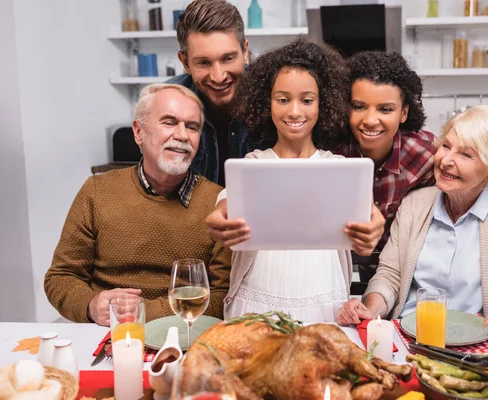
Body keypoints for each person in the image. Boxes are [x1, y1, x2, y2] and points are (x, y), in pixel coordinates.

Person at [336, 105, 488, 336]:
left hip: (481, 351)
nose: (446, 160)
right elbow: (389, 276)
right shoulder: (415, 204)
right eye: (446, 146)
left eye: (465, 154)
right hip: (408, 338)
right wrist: (371, 308)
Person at [205, 38, 385, 322]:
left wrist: (373, 227)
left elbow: (368, 212)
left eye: (307, 100)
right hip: (255, 305)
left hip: (325, 304)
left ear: (322, 104)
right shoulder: (253, 164)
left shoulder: (338, 168)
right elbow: (225, 205)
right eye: (283, 99)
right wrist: (217, 220)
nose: (294, 111)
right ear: (268, 103)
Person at [44, 84, 231, 325]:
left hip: (185, 331)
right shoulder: (96, 191)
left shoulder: (219, 202)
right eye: (169, 122)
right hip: (106, 331)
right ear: (138, 132)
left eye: (192, 127)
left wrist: (144, 312)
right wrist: (91, 305)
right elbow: (60, 277)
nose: (182, 135)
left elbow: (223, 296)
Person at [337, 51, 437, 281]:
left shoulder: (425, 153)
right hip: (345, 270)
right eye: (359, 106)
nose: (370, 120)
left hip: (409, 275)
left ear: (403, 113)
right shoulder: (331, 154)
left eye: (385, 109)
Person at [168, 0, 260, 186]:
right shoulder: (166, 102)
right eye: (203, 62)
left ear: (245, 51)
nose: (218, 77)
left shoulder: (275, 96)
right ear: (184, 62)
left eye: (228, 58)